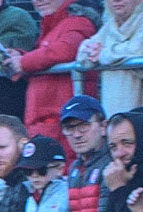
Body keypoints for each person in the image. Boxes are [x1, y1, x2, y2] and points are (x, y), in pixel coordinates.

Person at [22, 95, 108, 212]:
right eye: (69, 128)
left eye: (83, 125)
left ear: (103, 126)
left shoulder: (111, 165)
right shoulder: (76, 169)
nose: (76, 134)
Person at [6, 0, 97, 146]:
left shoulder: (78, 22)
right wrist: (19, 57)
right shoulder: (51, 27)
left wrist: (23, 62)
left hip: (61, 122)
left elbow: (65, 50)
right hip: (46, 123)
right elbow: (48, 56)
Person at [76, 0, 143, 117]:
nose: (116, 0)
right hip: (113, 108)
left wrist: (104, 55)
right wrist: (95, 54)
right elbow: (83, 54)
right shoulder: (110, 24)